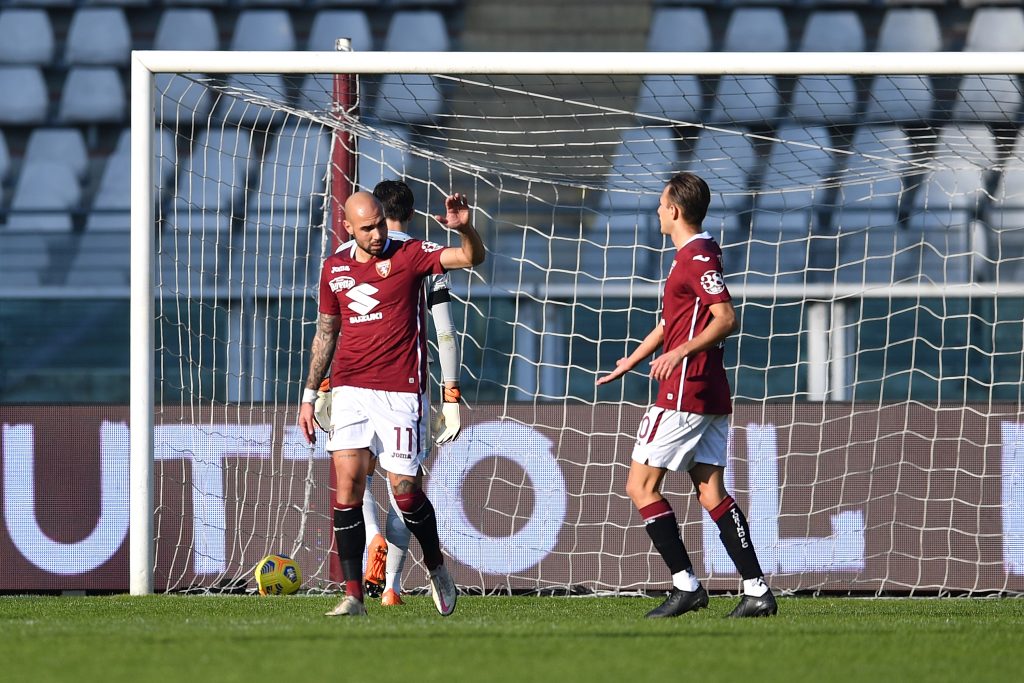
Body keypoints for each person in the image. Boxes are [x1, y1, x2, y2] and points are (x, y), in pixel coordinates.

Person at [597, 172, 777, 619]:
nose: (657, 211)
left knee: (640, 486)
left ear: (675, 211)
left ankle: (685, 585)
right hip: (709, 390)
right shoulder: (690, 256)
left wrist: (679, 353)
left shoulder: (696, 257)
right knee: (711, 490)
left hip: (685, 390)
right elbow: (671, 324)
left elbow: (725, 316)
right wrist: (633, 360)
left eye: (661, 204)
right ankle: (756, 589)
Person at [299, 189, 485, 618]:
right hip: (350, 388)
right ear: (348, 228)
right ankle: (353, 595)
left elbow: (471, 258)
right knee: (347, 485)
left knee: (404, 492)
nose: (378, 232)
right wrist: (310, 396)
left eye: (381, 223)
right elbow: (326, 333)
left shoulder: (412, 253)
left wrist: (464, 229)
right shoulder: (334, 268)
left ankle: (436, 565)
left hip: (401, 390)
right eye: (368, 227)